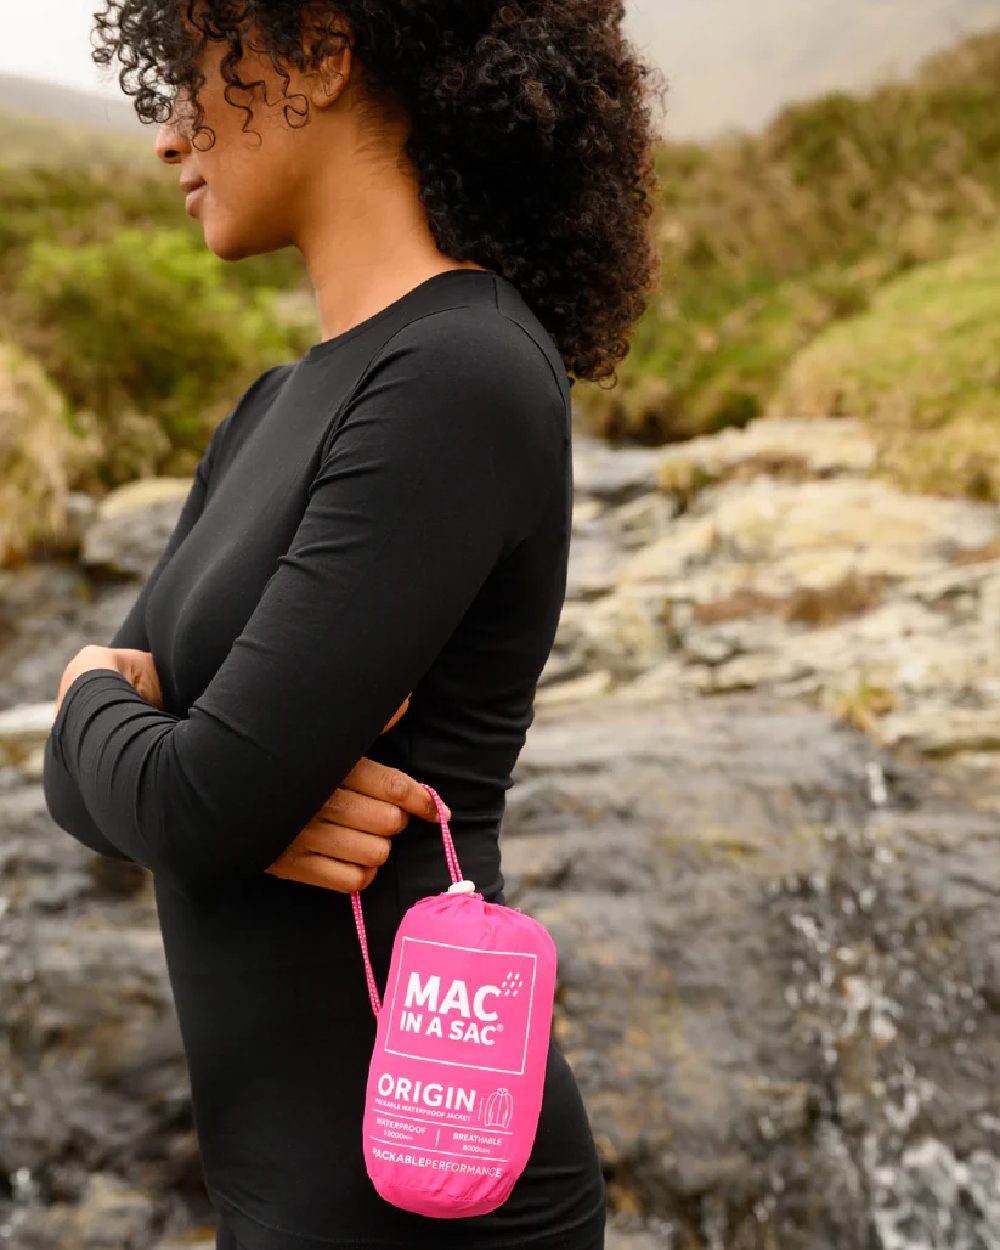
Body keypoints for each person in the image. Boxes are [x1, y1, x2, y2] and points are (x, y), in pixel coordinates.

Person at [43, 2, 663, 1247]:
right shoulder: (276, 403)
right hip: (285, 1205)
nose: (168, 137)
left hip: (435, 1206)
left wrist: (113, 716)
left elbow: (194, 801)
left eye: (191, 69)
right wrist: (127, 733)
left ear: (323, 50)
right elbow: (108, 787)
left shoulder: (461, 375)